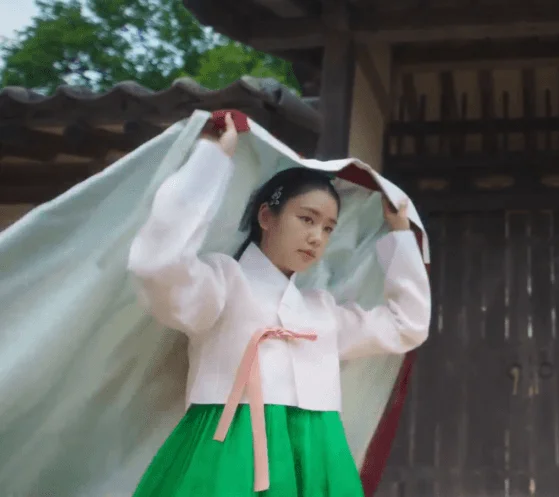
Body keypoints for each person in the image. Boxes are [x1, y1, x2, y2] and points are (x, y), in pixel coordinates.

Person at [127, 114, 431, 496]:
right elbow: (157, 265)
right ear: (266, 216)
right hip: (226, 455)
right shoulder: (223, 284)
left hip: (316, 461)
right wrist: (211, 160)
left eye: (328, 228)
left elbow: (408, 325)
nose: (317, 237)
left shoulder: (321, 311)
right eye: (307, 219)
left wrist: (400, 233)